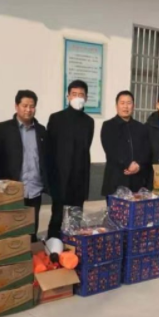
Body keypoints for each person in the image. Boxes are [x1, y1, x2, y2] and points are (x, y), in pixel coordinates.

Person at [0, 90, 47, 242]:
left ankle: (31, 253)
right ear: (16, 106)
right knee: (12, 231)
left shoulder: (41, 130)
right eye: (24, 105)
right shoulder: (3, 129)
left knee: (31, 232)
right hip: (11, 190)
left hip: (34, 189)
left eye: (32, 106)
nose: (28, 110)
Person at [46, 80, 95, 238]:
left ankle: (73, 244)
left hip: (79, 178)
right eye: (74, 94)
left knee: (75, 217)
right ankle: (53, 243)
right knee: (57, 216)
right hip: (60, 177)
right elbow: (49, 148)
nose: (78, 97)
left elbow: (86, 147)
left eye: (81, 94)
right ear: (68, 96)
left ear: (86, 98)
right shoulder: (56, 118)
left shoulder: (89, 122)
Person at [100, 91, 151, 196]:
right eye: (122, 103)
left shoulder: (141, 127)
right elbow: (111, 150)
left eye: (129, 103)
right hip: (116, 179)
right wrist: (128, 164)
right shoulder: (108, 126)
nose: (125, 106)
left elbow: (147, 150)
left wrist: (138, 165)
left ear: (133, 106)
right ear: (116, 106)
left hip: (137, 180)